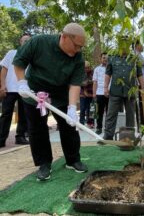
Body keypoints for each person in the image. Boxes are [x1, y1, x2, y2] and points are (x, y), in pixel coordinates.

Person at [13, 22, 88, 181]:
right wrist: (21, 82)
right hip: (34, 92)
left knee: (69, 126)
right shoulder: (39, 42)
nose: (78, 50)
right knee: (37, 128)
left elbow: (75, 84)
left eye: (81, 47)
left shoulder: (78, 58)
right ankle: (44, 163)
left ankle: (73, 159)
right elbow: (19, 62)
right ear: (64, 37)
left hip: (60, 94)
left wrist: (72, 108)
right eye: (76, 46)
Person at [103, 46, 144, 140]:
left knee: (130, 114)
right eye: (122, 43)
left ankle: (129, 137)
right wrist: (105, 87)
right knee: (111, 114)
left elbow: (139, 74)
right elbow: (108, 73)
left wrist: (143, 89)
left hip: (130, 91)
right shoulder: (112, 57)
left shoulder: (134, 58)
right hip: (115, 91)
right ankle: (108, 136)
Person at [0, 34, 31, 148]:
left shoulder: (32, 56)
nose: (26, 42)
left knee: (23, 114)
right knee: (6, 114)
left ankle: (20, 137)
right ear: (20, 42)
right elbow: (4, 70)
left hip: (25, 89)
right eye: (24, 40)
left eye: (29, 40)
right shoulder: (11, 53)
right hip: (10, 89)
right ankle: (1, 138)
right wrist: (3, 86)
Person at [92, 53, 108, 135]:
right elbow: (95, 82)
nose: (105, 59)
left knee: (109, 113)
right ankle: (99, 128)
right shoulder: (97, 69)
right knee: (99, 112)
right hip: (99, 93)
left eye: (106, 58)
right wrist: (94, 94)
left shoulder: (111, 68)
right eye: (104, 58)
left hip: (109, 93)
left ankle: (107, 129)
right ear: (100, 59)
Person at [79, 61, 94, 128]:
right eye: (85, 68)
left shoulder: (93, 72)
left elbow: (94, 81)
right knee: (82, 109)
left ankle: (90, 123)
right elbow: (80, 83)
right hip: (83, 94)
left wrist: (87, 82)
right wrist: (87, 82)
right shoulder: (80, 73)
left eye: (88, 68)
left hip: (91, 93)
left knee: (91, 109)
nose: (87, 69)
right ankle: (81, 123)